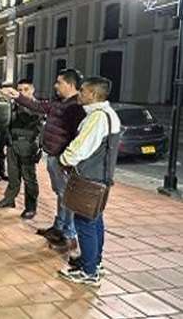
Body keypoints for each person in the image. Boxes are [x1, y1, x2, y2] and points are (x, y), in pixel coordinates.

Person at [5, 68, 86, 254]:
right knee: (60, 194)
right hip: (53, 156)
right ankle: (58, 228)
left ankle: (69, 236)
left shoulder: (76, 107)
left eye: (59, 82)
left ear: (70, 84)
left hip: (63, 159)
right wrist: (17, 96)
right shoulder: (60, 103)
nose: (55, 85)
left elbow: (77, 137)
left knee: (67, 197)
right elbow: (39, 107)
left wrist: (68, 159)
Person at [58, 77, 120, 286]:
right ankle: (94, 261)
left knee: (85, 223)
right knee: (95, 221)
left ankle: (89, 271)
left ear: (93, 94)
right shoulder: (108, 114)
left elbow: (81, 147)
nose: (79, 94)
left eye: (83, 91)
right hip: (100, 178)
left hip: (89, 178)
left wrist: (64, 159)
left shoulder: (97, 118)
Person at [0, 79, 43, 219]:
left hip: (28, 145)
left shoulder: (36, 106)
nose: (21, 93)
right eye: (19, 90)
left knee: (29, 178)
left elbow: (31, 119)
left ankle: (30, 207)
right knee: (13, 175)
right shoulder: (13, 104)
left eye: (25, 90)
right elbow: (7, 123)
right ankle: (9, 199)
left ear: (32, 90)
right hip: (12, 144)